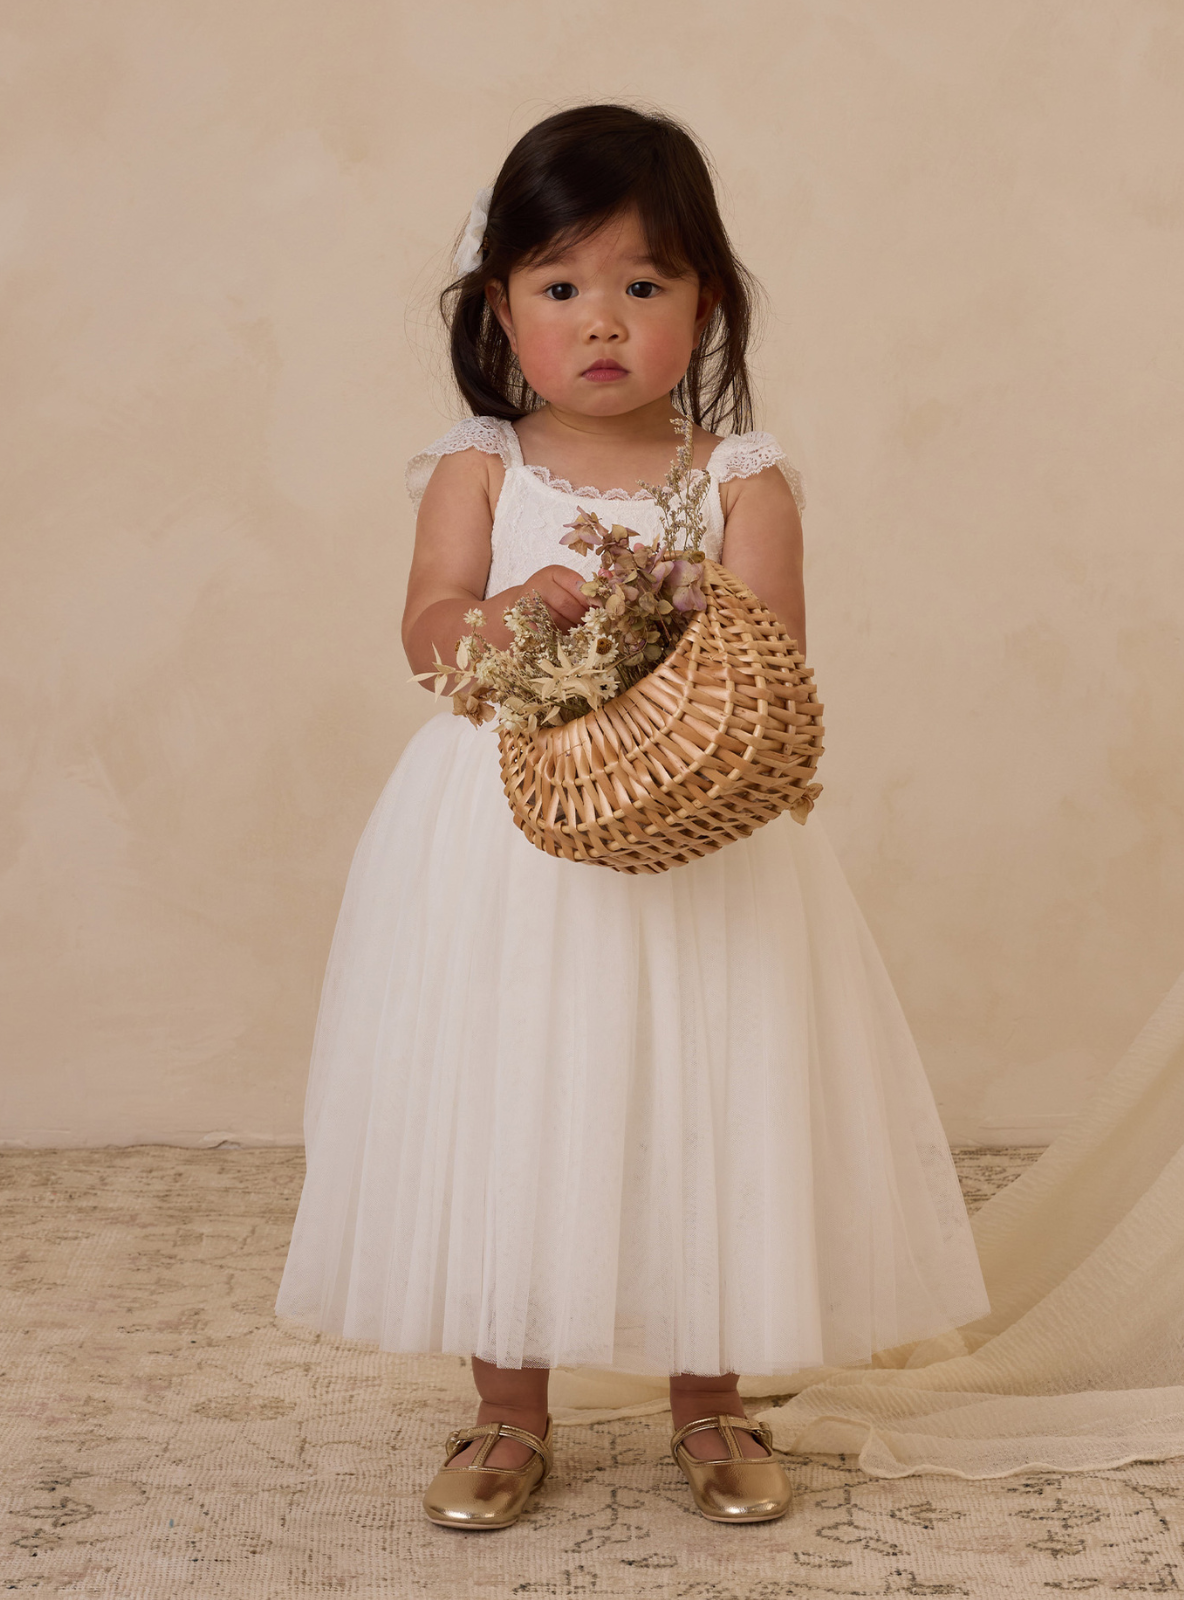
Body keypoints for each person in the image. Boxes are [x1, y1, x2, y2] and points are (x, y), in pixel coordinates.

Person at [275, 103, 990, 1530]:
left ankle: (708, 1399)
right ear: (502, 308)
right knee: (508, 1094)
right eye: (560, 286)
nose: (601, 320)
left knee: (702, 1088)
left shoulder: (736, 479)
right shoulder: (481, 467)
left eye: (643, 285)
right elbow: (428, 638)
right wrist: (508, 611)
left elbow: (769, 660)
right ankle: (503, 1413)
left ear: (701, 302)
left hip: (695, 840)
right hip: (504, 841)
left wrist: (670, 627)